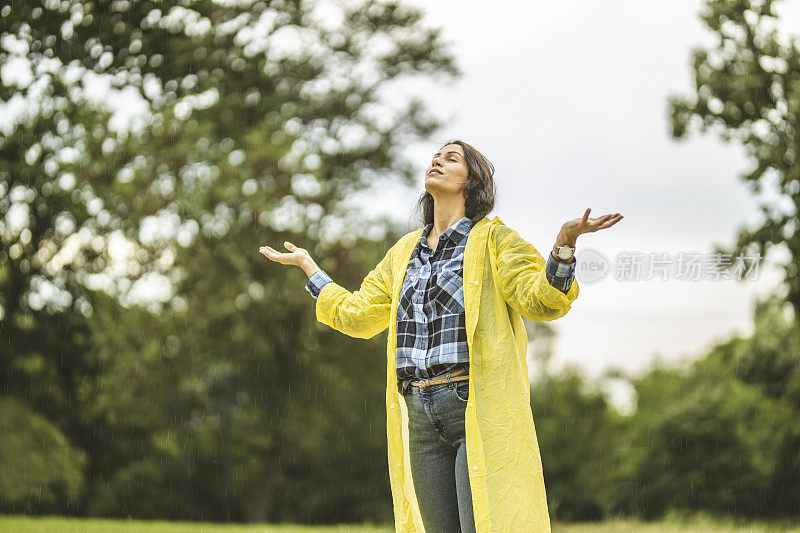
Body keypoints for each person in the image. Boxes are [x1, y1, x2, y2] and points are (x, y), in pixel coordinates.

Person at [259, 140, 623, 532]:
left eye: (452, 159)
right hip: (418, 412)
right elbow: (358, 315)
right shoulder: (403, 254)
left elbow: (542, 300)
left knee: (483, 525)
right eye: (436, 156)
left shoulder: (494, 240)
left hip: (472, 406)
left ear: (473, 182)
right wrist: (310, 267)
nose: (438, 161)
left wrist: (565, 245)